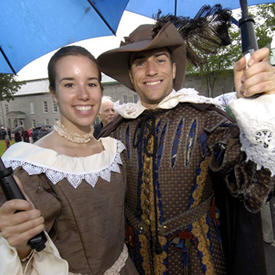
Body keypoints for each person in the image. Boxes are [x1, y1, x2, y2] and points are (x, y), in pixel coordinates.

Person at [97, 6, 275, 275]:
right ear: (131, 76)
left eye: (160, 59)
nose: (151, 70)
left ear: (174, 68)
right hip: (135, 265)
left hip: (200, 262)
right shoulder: (113, 133)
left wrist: (261, 106)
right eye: (140, 62)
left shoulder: (206, 119)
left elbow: (252, 190)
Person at [0, 46, 137, 274]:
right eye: (69, 84)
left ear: (101, 90)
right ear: (53, 93)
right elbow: (27, 249)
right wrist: (17, 244)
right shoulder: (33, 166)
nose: (83, 94)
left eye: (91, 83)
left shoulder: (114, 150)